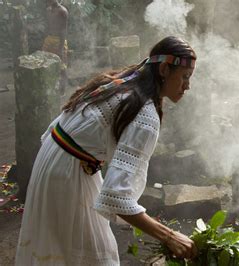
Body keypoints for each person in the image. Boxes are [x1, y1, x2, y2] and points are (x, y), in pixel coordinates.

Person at [16, 36, 198, 265]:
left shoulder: (123, 81)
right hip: (66, 174)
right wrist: (170, 236)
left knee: (63, 248)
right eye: (185, 76)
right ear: (163, 69)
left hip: (54, 158)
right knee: (89, 254)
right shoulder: (145, 113)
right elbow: (116, 197)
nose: (187, 85)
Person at [43, 0, 68, 94]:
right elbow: (48, 26)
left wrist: (61, 48)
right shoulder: (48, 10)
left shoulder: (63, 11)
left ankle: (62, 90)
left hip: (59, 41)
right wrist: (46, 39)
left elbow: (64, 30)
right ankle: (50, 88)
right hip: (49, 39)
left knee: (62, 66)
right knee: (46, 63)